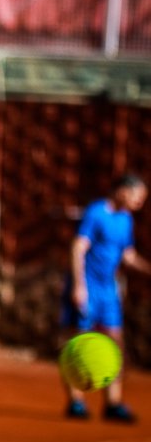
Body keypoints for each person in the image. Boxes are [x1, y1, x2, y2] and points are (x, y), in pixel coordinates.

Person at [61, 173, 151, 423]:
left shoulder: (126, 219)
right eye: (137, 196)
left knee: (116, 344)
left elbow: (128, 255)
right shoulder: (96, 212)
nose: (139, 202)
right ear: (123, 190)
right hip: (87, 288)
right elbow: (78, 247)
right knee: (78, 344)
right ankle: (76, 401)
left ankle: (113, 403)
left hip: (108, 293)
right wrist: (79, 286)